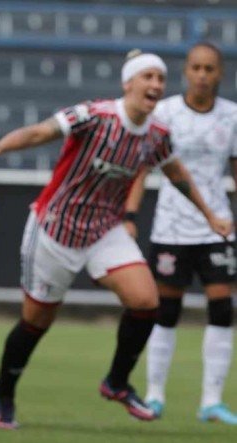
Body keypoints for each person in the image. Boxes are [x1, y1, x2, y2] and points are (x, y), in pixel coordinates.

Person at [0, 50, 233, 429]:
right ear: (128, 83)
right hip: (55, 229)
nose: (156, 85)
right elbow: (41, 131)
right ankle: (3, 391)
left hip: (103, 230)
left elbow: (176, 172)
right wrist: (2, 144)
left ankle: (116, 382)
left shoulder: (157, 134)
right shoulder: (95, 115)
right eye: (147, 77)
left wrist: (212, 215)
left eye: (160, 79)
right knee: (36, 321)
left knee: (147, 301)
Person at [125, 42, 237, 424]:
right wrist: (130, 213)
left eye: (210, 68)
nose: (203, 75)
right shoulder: (167, 112)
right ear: (187, 72)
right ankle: (155, 395)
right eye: (196, 68)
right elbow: (142, 167)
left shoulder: (232, 116)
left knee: (222, 307)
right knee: (166, 310)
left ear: (219, 72)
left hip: (217, 226)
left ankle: (211, 401)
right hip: (172, 226)